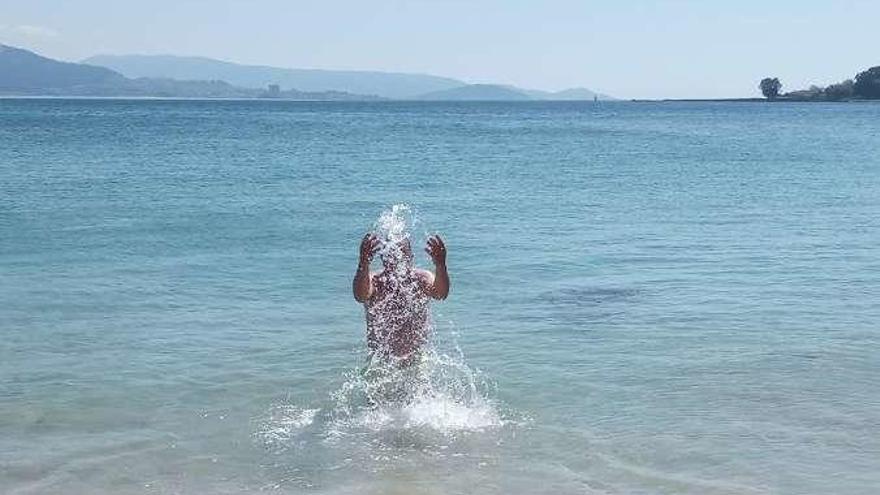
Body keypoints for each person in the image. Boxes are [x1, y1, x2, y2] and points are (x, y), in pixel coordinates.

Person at [352, 233, 450, 365]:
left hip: (416, 361)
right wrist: (363, 262)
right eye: (391, 254)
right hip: (382, 363)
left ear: (410, 257)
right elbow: (360, 295)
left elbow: (440, 294)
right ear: (383, 257)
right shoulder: (374, 281)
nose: (397, 259)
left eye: (402, 254)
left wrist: (440, 265)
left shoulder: (421, 280)